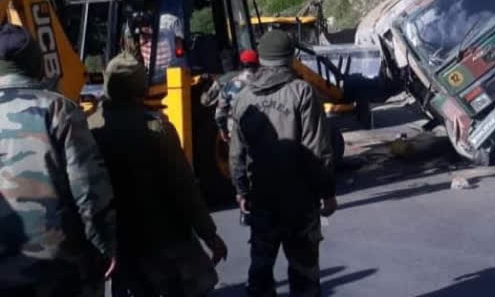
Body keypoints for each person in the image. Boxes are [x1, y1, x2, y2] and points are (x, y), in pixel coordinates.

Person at [88, 52, 228, 297]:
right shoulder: (156, 127)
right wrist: (210, 235)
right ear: (140, 88)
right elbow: (184, 186)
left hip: (122, 244)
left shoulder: (88, 126)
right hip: (165, 241)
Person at [0, 24, 117, 296]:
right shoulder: (58, 109)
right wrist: (105, 245)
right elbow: (88, 189)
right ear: (34, 61)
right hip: (59, 267)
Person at [230, 30, 337, 297]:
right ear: (290, 57)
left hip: (261, 200)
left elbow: (236, 153)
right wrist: (327, 193)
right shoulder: (302, 92)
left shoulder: (244, 98)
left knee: (261, 274)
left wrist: (242, 189)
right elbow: (317, 150)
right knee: (304, 275)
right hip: (299, 203)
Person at [201, 49, 260, 142]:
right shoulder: (267, 81)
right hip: (262, 132)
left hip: (236, 132)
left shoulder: (227, 81)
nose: (225, 62)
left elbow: (207, 102)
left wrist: (223, 130)